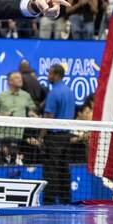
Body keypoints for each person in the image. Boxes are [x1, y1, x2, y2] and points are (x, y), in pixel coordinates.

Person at [40, 63, 75, 203]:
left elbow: (49, 117)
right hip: (66, 137)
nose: (48, 76)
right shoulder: (70, 91)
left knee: (51, 171)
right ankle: (65, 200)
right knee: (64, 169)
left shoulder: (53, 92)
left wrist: (41, 137)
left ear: (56, 75)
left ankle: (49, 201)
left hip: (54, 138)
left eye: (50, 73)